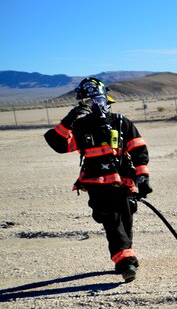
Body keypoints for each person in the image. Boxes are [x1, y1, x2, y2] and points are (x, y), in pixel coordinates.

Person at [44, 77, 153, 282]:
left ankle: (126, 254)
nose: (96, 106)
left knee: (126, 221)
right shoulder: (81, 126)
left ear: (107, 100)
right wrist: (69, 120)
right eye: (90, 102)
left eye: (99, 101)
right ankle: (125, 262)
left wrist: (143, 177)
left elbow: (139, 150)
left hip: (123, 183)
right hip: (97, 184)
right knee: (112, 221)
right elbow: (59, 144)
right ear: (82, 104)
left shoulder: (121, 122)